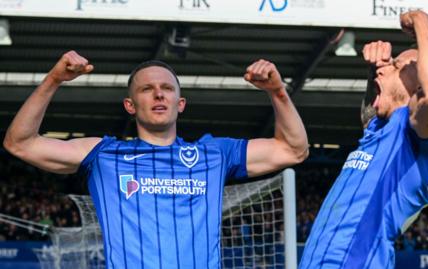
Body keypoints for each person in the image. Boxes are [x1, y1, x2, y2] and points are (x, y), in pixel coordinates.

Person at [3, 52, 309, 268]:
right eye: (147, 89)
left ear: (181, 103)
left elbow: (293, 150)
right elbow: (20, 143)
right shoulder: (104, 155)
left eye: (166, 89)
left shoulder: (214, 154)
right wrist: (54, 79)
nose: (158, 95)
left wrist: (277, 92)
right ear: (130, 105)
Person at [300, 10, 428, 269]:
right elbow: (368, 116)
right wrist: (373, 73)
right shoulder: (384, 130)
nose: (386, 66)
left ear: (418, 88)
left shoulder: (423, 136)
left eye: (396, 65)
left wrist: (421, 20)